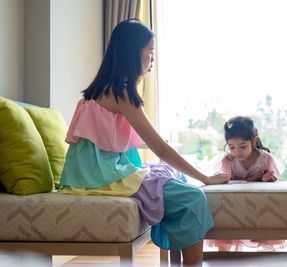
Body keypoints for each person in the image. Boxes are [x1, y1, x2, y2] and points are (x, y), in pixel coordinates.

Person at [58, 19, 230, 266]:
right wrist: (205, 178)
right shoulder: (121, 92)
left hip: (91, 172)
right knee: (192, 197)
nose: (152, 58)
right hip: (104, 175)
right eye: (150, 51)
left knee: (173, 178)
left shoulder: (104, 89)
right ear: (132, 53)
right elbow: (159, 148)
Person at [206, 116, 287, 252]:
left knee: (268, 209)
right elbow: (226, 184)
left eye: (243, 146)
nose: (237, 152)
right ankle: (223, 255)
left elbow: (272, 183)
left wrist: (267, 178)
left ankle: (268, 253)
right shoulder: (228, 160)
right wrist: (252, 179)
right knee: (225, 209)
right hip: (233, 204)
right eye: (231, 147)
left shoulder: (265, 158)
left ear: (254, 141)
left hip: (259, 204)